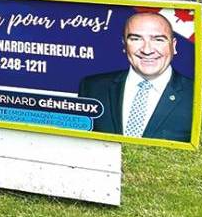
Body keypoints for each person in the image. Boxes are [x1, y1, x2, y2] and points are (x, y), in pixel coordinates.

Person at [78, 11, 194, 142]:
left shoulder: (194, 95)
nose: (147, 50)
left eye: (158, 40)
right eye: (136, 39)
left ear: (173, 46)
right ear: (124, 45)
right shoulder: (92, 87)